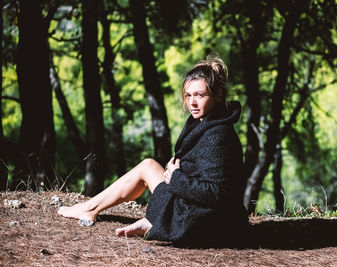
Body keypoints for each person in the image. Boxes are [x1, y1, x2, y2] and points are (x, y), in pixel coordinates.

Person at [58, 54, 249, 248]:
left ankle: (136, 219)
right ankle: (91, 208)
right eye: (188, 95)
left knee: (148, 168)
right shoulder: (207, 124)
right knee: (148, 165)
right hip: (197, 207)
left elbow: (217, 194)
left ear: (218, 94)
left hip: (212, 222)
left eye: (200, 95)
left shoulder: (218, 136)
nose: (192, 103)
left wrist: (176, 176)